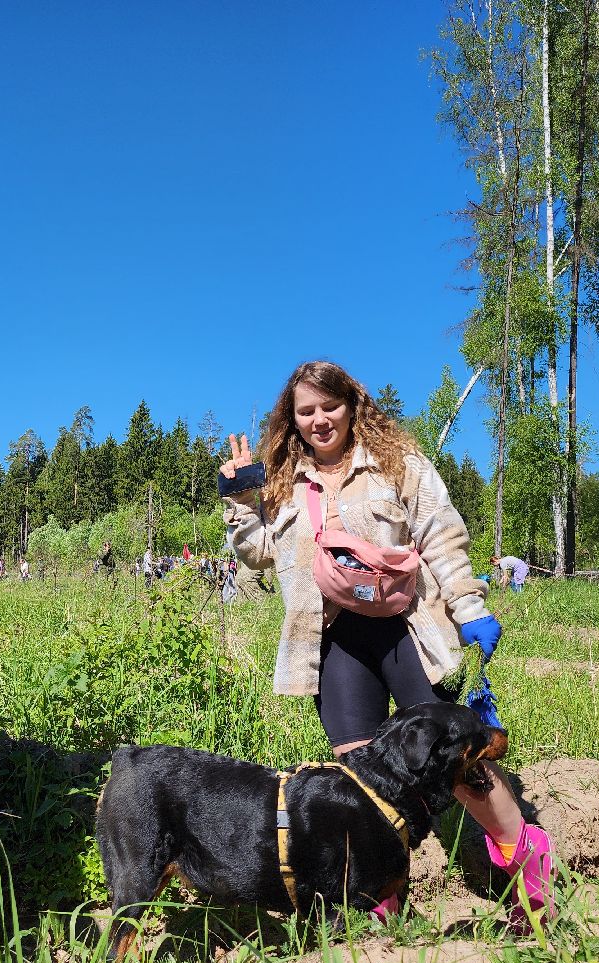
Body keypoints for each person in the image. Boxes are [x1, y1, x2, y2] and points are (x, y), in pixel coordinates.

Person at [218, 360, 552, 930]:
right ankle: (380, 897)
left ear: (352, 405)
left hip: (407, 632)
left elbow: (441, 534)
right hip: (335, 641)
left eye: (330, 406)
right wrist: (243, 497)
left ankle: (530, 869)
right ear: (291, 418)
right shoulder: (280, 478)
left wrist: (470, 606)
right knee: (361, 776)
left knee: (456, 760)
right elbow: (259, 554)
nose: (319, 420)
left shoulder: (399, 463)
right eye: (306, 411)